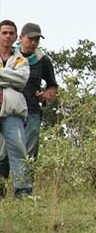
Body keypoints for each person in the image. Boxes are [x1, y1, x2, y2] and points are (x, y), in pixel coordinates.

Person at [16, 23, 58, 164]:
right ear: (21, 38)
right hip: (10, 110)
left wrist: (46, 96)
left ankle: (25, 186)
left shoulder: (42, 60)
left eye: (37, 40)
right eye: (30, 39)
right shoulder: (9, 56)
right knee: (3, 155)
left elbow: (52, 85)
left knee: (28, 156)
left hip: (32, 111)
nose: (33, 42)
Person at [0, 20, 33, 198]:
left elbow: (21, 80)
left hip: (12, 111)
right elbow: (15, 79)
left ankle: (23, 192)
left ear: (16, 37)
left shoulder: (22, 60)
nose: (8, 36)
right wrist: (9, 77)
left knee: (19, 151)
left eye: (11, 33)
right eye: (4, 32)